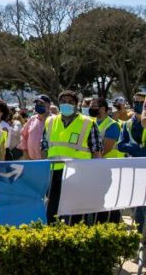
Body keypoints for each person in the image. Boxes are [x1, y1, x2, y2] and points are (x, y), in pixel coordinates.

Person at [44, 90, 102, 223]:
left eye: (70, 102)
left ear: (77, 105)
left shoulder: (88, 122)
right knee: (52, 211)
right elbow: (44, 147)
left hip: (79, 174)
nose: (66, 104)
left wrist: (95, 174)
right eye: (63, 102)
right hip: (54, 173)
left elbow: (96, 151)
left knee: (76, 213)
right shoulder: (50, 121)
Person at [117, 92, 146, 231]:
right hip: (135, 170)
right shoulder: (127, 124)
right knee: (139, 205)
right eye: (135, 102)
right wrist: (135, 148)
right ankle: (142, 236)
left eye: (141, 102)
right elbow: (120, 145)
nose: (138, 105)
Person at [19, 95, 51, 160]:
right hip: (32, 161)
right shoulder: (32, 119)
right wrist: (25, 153)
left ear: (48, 105)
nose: (38, 105)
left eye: (41, 103)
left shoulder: (54, 119)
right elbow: (23, 135)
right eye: (37, 103)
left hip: (49, 162)